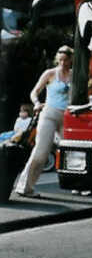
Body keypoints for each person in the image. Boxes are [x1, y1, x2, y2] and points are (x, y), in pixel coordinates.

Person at [15, 45, 73, 198]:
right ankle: (25, 187)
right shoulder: (50, 73)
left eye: (65, 60)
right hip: (49, 113)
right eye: (60, 60)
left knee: (73, 151)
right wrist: (36, 103)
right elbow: (34, 92)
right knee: (41, 152)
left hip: (67, 116)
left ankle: (79, 185)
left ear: (70, 60)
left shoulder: (74, 75)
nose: (62, 63)